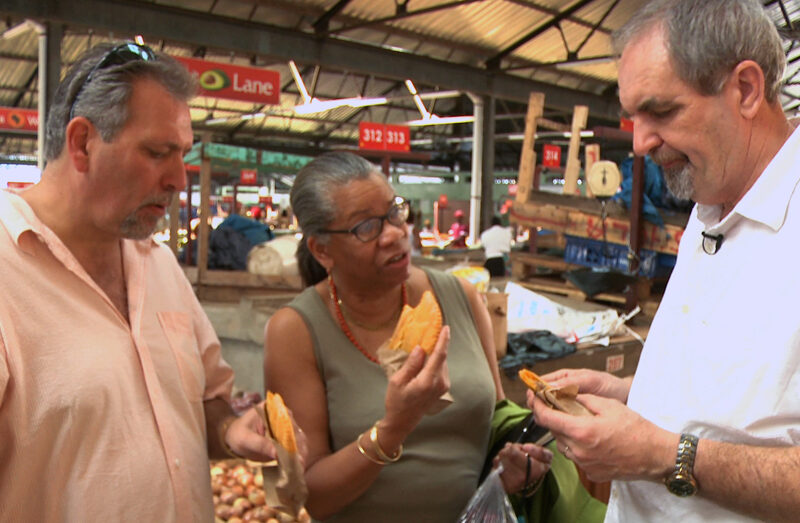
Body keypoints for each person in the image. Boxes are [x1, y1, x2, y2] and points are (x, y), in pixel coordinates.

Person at [0, 42, 298, 521]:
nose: (179, 178)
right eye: (158, 153)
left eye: (182, 154)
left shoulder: (156, 262)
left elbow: (203, 401)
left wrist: (230, 431)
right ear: (82, 144)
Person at [528, 1, 800, 521]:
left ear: (744, 90)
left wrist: (660, 455)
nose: (639, 142)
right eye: (633, 116)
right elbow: (748, 397)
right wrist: (633, 395)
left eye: (661, 111)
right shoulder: (709, 206)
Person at [264, 152, 552, 522]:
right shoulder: (294, 331)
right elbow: (301, 496)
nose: (395, 234)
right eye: (366, 227)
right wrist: (393, 428)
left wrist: (513, 465)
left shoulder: (460, 298)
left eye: (394, 213)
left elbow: (494, 420)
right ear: (322, 250)